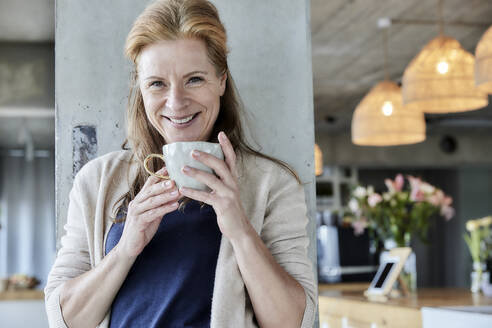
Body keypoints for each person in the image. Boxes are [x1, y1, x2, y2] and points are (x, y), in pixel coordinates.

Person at [45, 0, 317, 327]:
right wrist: (125, 250)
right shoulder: (97, 180)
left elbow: (292, 322)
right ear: (140, 89)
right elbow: (64, 319)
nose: (176, 102)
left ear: (221, 81)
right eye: (157, 83)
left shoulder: (271, 184)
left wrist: (241, 231)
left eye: (195, 79)